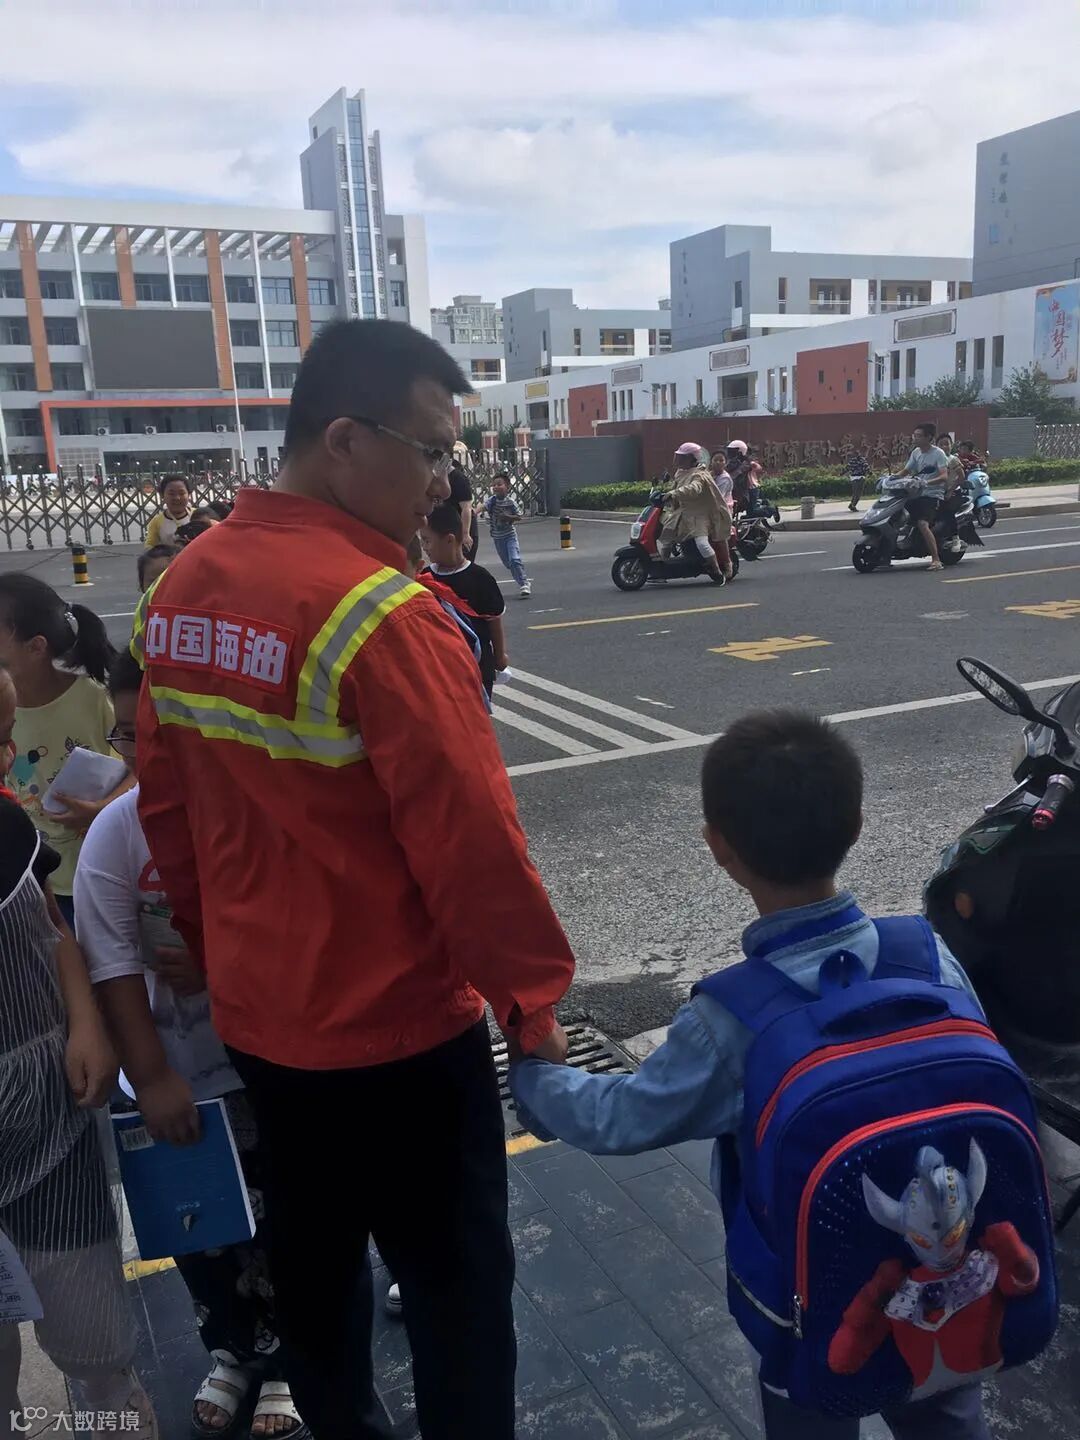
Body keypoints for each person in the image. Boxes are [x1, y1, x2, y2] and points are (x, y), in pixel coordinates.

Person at [131, 318, 575, 1440]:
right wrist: (532, 1007)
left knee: (317, 1281)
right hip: (403, 1038)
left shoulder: (179, 590)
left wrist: (222, 952)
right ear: (343, 440)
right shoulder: (382, 618)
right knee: (455, 1296)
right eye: (431, 452)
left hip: (266, 1028)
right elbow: (475, 851)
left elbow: (166, 809)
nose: (442, 484)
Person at [510, 709, 991, 1440]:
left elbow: (621, 1116)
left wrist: (534, 1081)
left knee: (810, 1414)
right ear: (858, 824)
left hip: (807, 1303)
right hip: (950, 1280)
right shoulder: (929, 955)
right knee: (948, 1418)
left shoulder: (733, 1018)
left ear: (718, 847)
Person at [75, 652, 306, 1440]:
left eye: (163, 733)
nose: (147, 755)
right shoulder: (117, 833)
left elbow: (301, 929)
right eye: (129, 737)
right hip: (175, 1075)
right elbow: (109, 961)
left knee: (284, 1220)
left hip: (262, 1066)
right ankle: (232, 1350)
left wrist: (219, 962)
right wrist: (151, 1077)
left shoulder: (259, 810)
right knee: (199, 1229)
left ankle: (289, 1360)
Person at [0, 667, 156, 1440]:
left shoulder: (5, 824)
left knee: (89, 1319)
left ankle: (116, 1413)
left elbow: (49, 924)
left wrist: (86, 1020)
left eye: (6, 736)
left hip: (47, 1108)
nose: (9, 757)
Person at [0, 574, 125, 928]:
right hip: (33, 877)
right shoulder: (3, 709)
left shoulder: (94, 699)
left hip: (100, 868)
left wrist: (105, 807)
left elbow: (142, 764)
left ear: (36, 647)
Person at [421, 501, 507, 699]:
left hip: (477, 664)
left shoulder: (480, 578)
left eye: (427, 541)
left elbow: (494, 620)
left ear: (449, 540)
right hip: (440, 665)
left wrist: (500, 655)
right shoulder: (424, 578)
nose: (424, 548)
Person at [658, 442, 727, 583]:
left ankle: (717, 572)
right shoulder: (680, 472)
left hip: (698, 515)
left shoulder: (700, 474)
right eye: (679, 456)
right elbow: (675, 487)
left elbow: (694, 489)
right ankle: (661, 572)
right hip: (681, 513)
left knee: (702, 543)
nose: (679, 460)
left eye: (683, 457)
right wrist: (666, 493)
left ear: (692, 458)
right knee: (667, 538)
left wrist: (674, 493)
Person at [895, 422, 949, 571]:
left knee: (922, 523)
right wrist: (891, 478)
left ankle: (936, 560)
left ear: (929, 437)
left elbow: (944, 476)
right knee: (896, 514)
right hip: (915, 493)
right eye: (914, 435)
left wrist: (926, 482)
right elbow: (906, 471)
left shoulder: (938, 453)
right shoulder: (916, 452)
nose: (915, 438)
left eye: (918, 436)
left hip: (932, 495)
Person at [484, 473, 531, 597]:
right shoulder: (492, 501)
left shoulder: (510, 502)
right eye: (494, 485)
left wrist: (507, 517)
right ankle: (520, 577)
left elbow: (519, 516)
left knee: (514, 559)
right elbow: (483, 506)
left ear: (507, 487)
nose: (496, 487)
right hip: (497, 538)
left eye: (499, 484)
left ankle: (524, 583)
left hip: (510, 536)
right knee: (508, 563)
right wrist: (473, 512)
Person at [707, 451, 735, 581]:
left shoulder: (725, 478)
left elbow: (718, 497)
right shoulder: (709, 474)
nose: (718, 462)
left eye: (721, 460)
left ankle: (728, 563)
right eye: (716, 460)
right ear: (711, 462)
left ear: (725, 463)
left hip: (723, 511)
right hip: (709, 509)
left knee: (720, 536)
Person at [145, 474, 193, 547]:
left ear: (189, 494)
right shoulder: (156, 522)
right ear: (162, 495)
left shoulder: (199, 515)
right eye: (171, 494)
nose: (177, 498)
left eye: (181, 493)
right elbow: (150, 546)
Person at [446, 463, 478, 557]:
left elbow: (466, 508)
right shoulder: (434, 477)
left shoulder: (459, 479)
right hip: (446, 528)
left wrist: (465, 534)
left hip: (461, 527)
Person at [847, 447, 871, 511]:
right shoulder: (862, 460)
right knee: (858, 493)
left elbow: (847, 468)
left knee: (855, 493)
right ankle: (853, 505)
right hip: (860, 478)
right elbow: (866, 467)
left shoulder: (852, 461)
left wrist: (841, 473)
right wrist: (870, 473)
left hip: (853, 478)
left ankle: (852, 504)